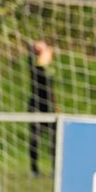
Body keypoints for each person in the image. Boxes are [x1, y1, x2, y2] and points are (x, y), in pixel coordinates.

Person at [27, 40, 57, 176]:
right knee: (35, 138)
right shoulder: (37, 68)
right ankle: (34, 170)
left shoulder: (48, 68)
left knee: (55, 139)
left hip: (48, 107)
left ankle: (54, 169)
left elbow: (50, 90)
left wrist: (55, 106)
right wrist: (35, 50)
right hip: (36, 107)